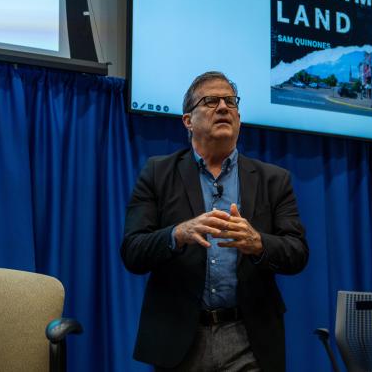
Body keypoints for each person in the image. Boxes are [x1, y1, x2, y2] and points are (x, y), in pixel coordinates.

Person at [121, 71, 309, 372]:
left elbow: (297, 252)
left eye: (231, 102)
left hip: (248, 336)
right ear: (187, 120)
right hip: (180, 337)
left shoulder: (273, 179)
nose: (223, 107)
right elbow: (132, 251)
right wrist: (177, 233)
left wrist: (258, 243)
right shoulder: (158, 173)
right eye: (210, 101)